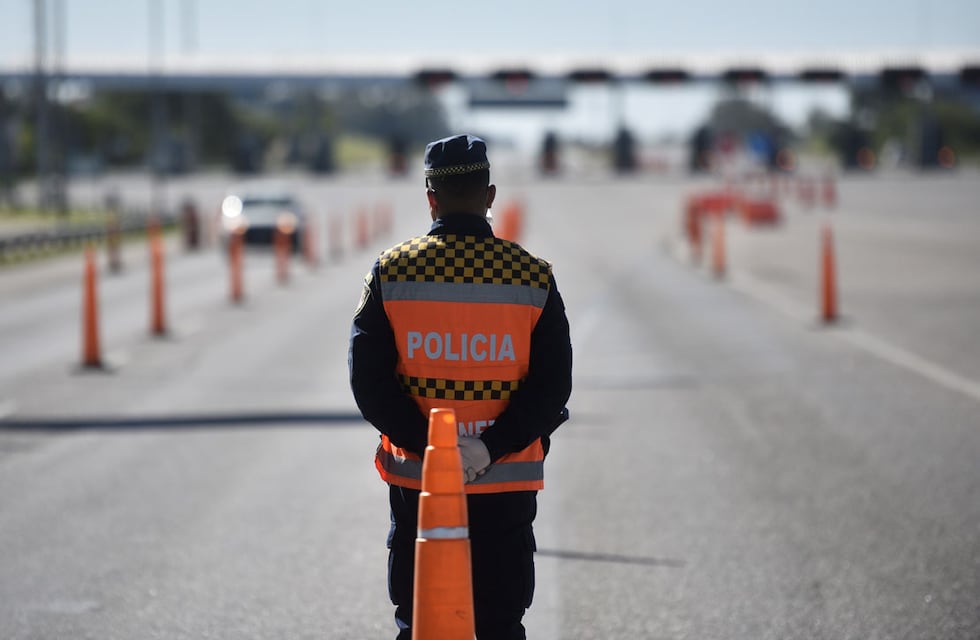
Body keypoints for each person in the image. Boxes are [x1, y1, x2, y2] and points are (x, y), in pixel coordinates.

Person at [349, 134, 572, 640]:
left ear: (430, 197)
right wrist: (488, 447)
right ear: (490, 196)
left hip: (420, 482)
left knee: (423, 620)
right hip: (505, 480)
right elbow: (553, 386)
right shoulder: (532, 277)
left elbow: (369, 382)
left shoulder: (392, 271)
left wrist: (431, 448)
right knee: (500, 623)